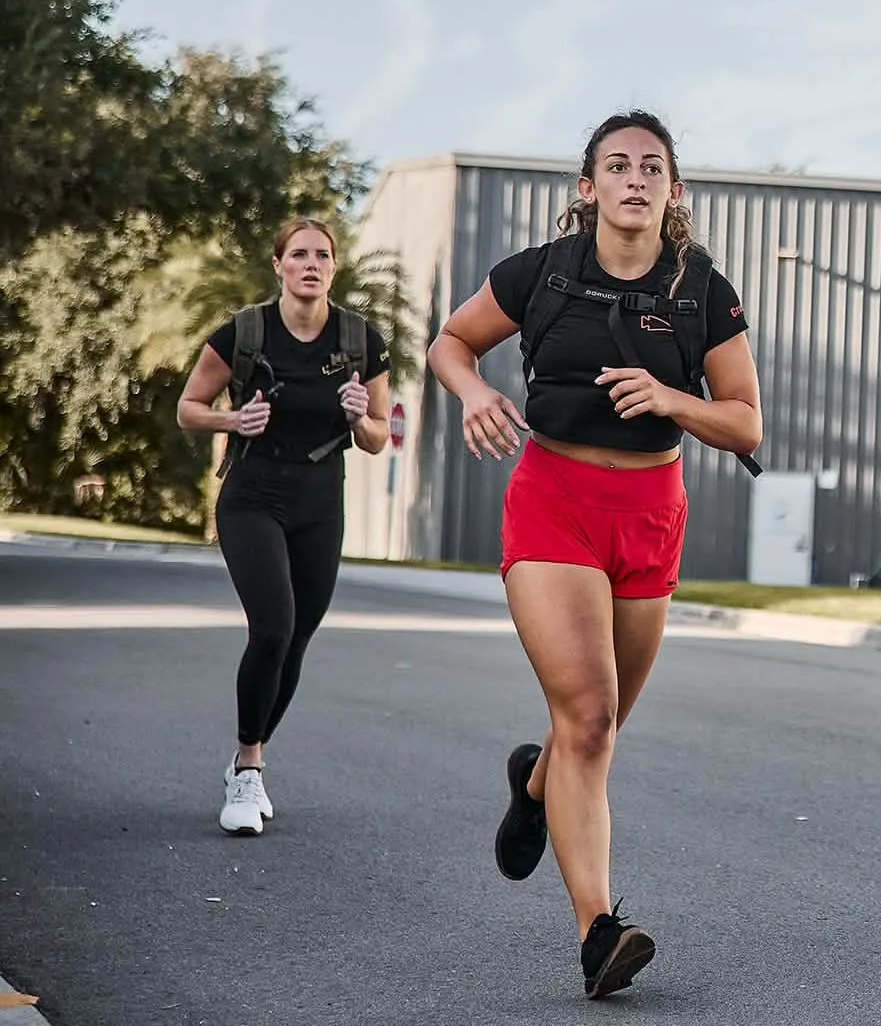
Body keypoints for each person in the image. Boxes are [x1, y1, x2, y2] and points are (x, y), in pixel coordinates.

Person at [426, 110, 763, 998]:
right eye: (617, 165)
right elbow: (449, 342)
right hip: (555, 504)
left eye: (653, 166)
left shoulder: (703, 293)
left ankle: (536, 785)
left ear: (674, 191)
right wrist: (470, 393)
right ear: (588, 189)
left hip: (651, 512)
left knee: (595, 729)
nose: (636, 178)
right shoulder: (540, 274)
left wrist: (670, 397)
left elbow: (744, 422)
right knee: (590, 715)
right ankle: (598, 932)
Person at [177, 217, 391, 835]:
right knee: (272, 627)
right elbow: (190, 408)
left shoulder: (359, 339)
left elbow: (379, 436)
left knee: (296, 639)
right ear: (279, 265)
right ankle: (249, 768)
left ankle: (251, 756)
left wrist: (361, 420)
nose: (311, 264)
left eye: (322, 254)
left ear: (334, 266)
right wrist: (233, 422)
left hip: (322, 499)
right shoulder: (245, 331)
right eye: (298, 254)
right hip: (252, 494)